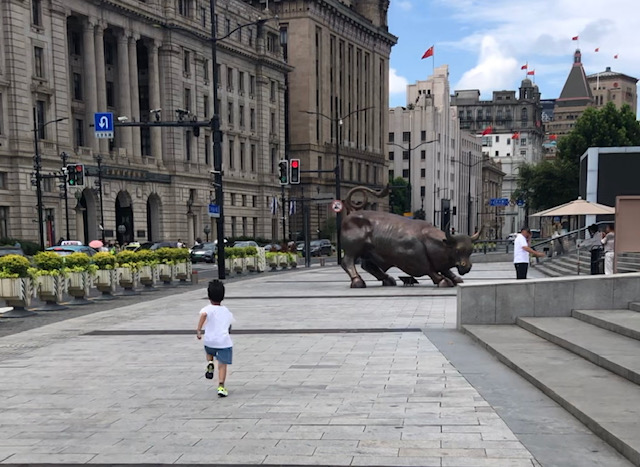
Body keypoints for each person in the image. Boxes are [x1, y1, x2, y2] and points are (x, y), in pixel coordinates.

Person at [196, 280, 235, 397]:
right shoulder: (226, 311)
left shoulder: (207, 309)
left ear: (209, 296)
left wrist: (199, 330)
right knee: (222, 364)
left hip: (210, 340)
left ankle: (210, 362)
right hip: (223, 342)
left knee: (210, 351)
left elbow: (203, 315)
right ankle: (221, 386)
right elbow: (229, 325)